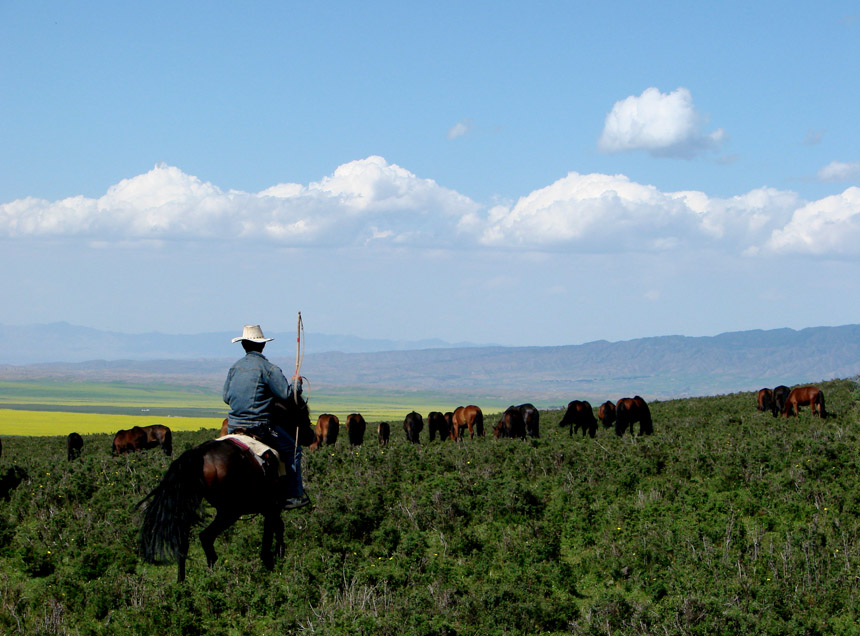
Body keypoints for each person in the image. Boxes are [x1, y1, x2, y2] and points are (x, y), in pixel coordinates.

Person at [222, 324, 311, 509]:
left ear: (243, 345)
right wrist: (296, 383)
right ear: (262, 346)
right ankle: (295, 495)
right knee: (294, 450)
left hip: (233, 425)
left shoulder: (234, 368)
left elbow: (225, 397)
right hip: (260, 425)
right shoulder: (268, 369)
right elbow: (286, 395)